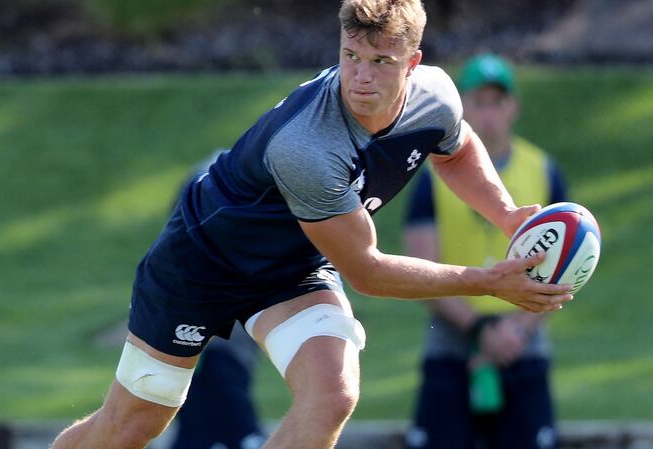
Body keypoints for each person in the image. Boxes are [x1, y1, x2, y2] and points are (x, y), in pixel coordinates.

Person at [49, 1, 573, 448]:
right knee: (132, 425)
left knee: (333, 394)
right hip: (200, 263)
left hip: (293, 268)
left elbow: (454, 152)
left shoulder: (434, 98)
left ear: (412, 64)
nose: (360, 77)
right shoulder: (308, 147)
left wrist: (505, 213)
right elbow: (367, 272)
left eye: (379, 61)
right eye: (350, 57)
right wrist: (486, 282)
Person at [403, 54, 568, 449]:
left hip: (523, 340)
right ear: (463, 105)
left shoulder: (543, 169)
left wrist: (513, 332)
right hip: (452, 339)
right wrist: (479, 330)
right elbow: (421, 266)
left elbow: (566, 263)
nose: (490, 112)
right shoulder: (431, 173)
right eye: (480, 101)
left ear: (513, 106)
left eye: (498, 101)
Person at [169, 153, 267, 449]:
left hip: (239, 301)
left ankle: (246, 437)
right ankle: (247, 438)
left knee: (223, 373)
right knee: (200, 388)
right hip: (200, 300)